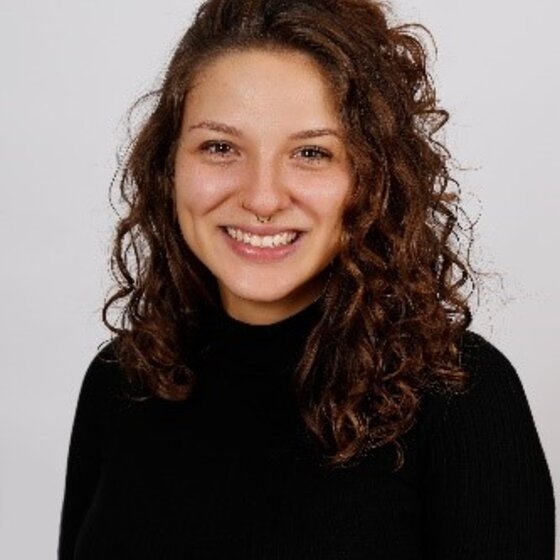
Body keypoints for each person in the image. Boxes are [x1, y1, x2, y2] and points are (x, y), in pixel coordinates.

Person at [58, 0, 555, 558]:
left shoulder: (460, 396)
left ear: (374, 178)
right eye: (220, 147)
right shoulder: (120, 379)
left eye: (312, 153)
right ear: (167, 164)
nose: (262, 197)